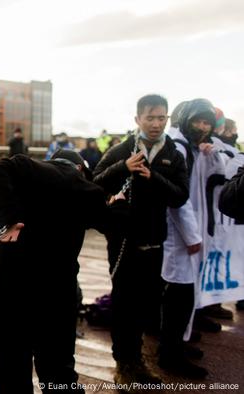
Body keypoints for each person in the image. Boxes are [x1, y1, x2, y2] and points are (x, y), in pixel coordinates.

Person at [0, 149, 107, 394]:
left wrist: (9, 218)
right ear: (80, 169)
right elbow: (113, 220)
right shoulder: (77, 182)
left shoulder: (29, 171)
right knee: (57, 371)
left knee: (10, 372)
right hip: (55, 294)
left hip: (10, 291)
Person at [93, 94, 189, 388]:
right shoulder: (122, 149)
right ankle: (125, 365)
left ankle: (136, 361)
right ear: (137, 119)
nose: (157, 124)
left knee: (147, 306)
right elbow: (94, 184)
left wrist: (152, 176)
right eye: (151, 117)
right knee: (124, 305)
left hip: (156, 243)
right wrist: (123, 167)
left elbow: (180, 196)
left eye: (162, 118)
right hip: (123, 243)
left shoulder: (173, 153)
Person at [160, 98, 219, 379]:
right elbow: (178, 199)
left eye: (207, 123)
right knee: (178, 295)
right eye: (198, 121)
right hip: (179, 234)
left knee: (183, 294)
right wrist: (192, 235)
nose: (203, 127)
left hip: (186, 231)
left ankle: (177, 345)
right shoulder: (179, 147)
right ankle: (170, 354)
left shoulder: (188, 145)